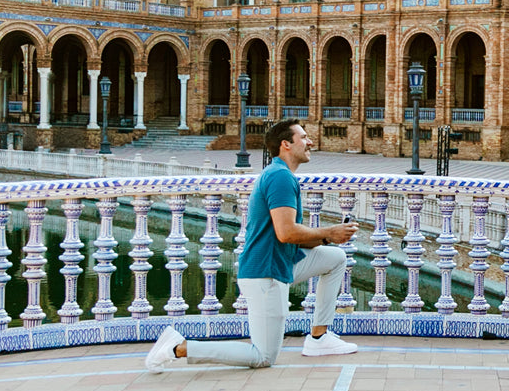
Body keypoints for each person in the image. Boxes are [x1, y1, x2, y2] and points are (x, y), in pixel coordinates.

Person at [145, 119, 359, 370]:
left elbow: (289, 235)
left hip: (280, 264)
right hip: (265, 273)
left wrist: (328, 238)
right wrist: (329, 232)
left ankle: (319, 338)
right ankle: (178, 347)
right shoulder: (280, 177)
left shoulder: (280, 174)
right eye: (303, 137)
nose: (310, 142)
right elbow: (286, 233)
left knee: (335, 258)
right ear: (286, 144)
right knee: (263, 357)